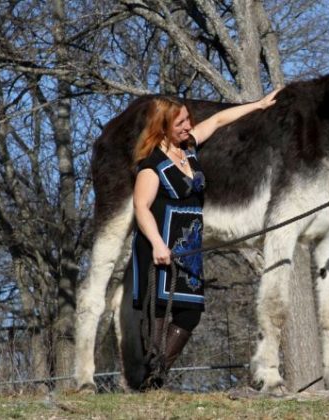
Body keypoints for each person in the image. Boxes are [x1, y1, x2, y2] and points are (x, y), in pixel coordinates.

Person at [124, 89, 280, 388]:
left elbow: (220, 119)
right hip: (160, 247)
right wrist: (157, 243)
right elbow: (141, 207)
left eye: (187, 120)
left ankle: (157, 377)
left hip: (189, 248)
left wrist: (258, 104)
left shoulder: (190, 147)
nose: (187, 126)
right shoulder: (151, 165)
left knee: (190, 314)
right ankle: (148, 383)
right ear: (163, 127)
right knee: (155, 316)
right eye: (180, 122)